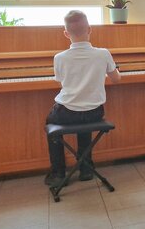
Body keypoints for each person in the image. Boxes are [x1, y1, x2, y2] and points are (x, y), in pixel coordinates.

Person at [44, 10, 121, 187]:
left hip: (66, 113)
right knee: (85, 115)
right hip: (95, 112)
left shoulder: (59, 58)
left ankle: (58, 173)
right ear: (90, 29)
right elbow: (116, 79)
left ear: (66, 33)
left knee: (51, 121)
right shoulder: (103, 53)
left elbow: (61, 82)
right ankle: (86, 169)